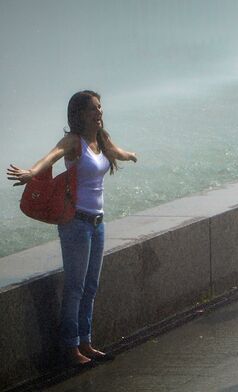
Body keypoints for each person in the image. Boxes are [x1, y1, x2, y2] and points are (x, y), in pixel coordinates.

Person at [6, 90, 137, 367]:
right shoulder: (73, 142)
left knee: (90, 286)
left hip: (98, 222)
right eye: (93, 109)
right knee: (75, 288)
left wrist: (130, 155)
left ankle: (86, 342)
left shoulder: (101, 138)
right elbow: (51, 157)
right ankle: (71, 346)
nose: (99, 113)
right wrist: (31, 172)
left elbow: (114, 152)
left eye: (100, 108)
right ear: (79, 114)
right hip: (76, 224)